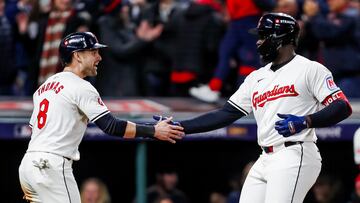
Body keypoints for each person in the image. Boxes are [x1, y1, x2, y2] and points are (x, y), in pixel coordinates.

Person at [155, 13, 352, 203]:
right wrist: (181, 127)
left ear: (281, 37)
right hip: (265, 157)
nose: (258, 42)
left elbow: (342, 106)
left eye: (264, 36)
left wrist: (306, 121)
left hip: (295, 152)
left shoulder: (309, 69)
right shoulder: (256, 77)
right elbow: (226, 113)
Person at [18, 31, 184, 203]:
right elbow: (111, 126)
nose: (99, 57)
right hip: (52, 164)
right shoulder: (80, 86)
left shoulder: (44, 87)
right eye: (93, 52)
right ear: (77, 56)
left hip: (28, 164)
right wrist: (154, 131)